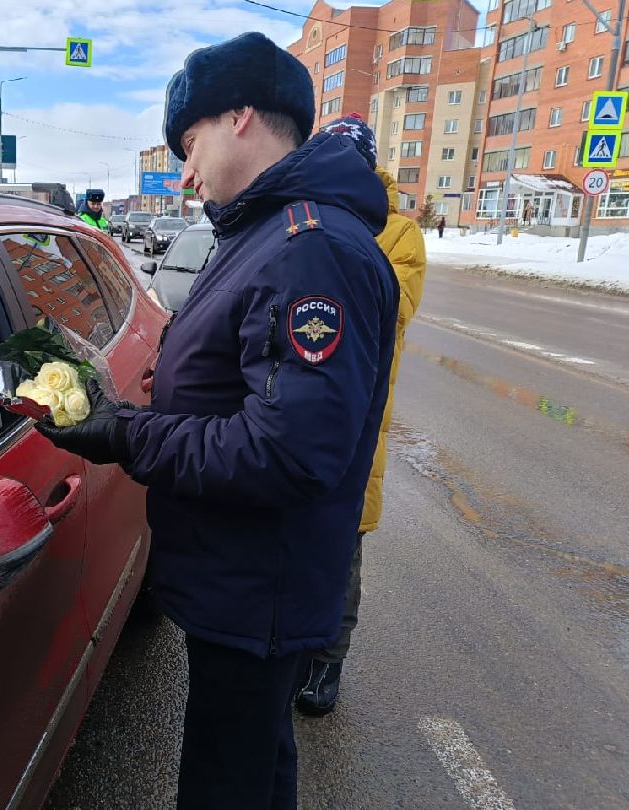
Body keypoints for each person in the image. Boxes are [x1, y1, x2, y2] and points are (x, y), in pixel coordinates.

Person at [34, 32, 398, 810]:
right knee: (257, 769)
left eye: (188, 144)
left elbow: (288, 450)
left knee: (224, 783)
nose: (185, 171)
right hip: (245, 577)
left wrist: (124, 433)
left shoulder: (309, 249)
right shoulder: (270, 230)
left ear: (240, 117)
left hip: (256, 587)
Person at [296, 114, 427, 716]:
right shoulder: (302, 218)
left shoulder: (399, 234)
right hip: (295, 417)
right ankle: (298, 645)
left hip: (356, 422)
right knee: (295, 548)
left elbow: (387, 308)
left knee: (340, 552)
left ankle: (329, 662)